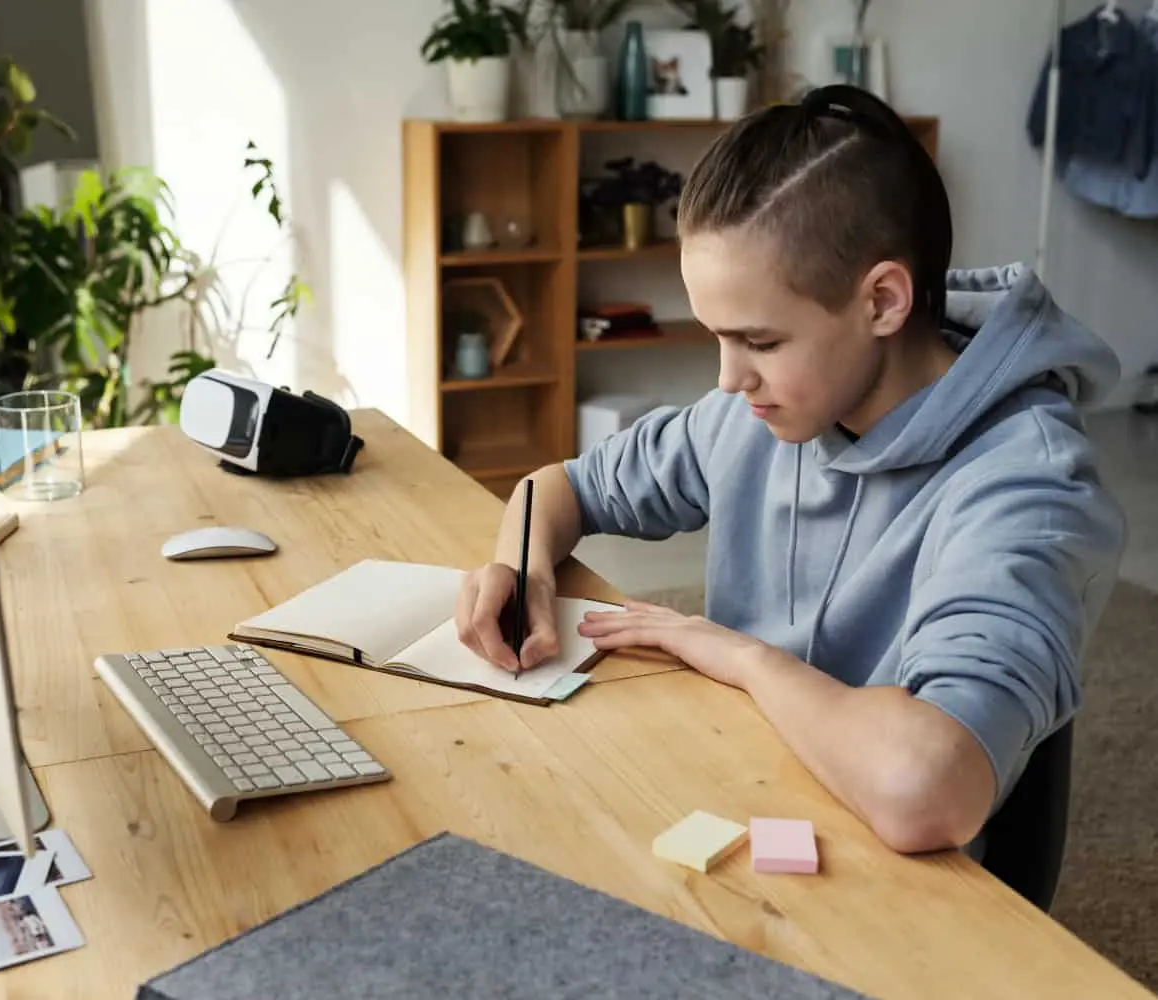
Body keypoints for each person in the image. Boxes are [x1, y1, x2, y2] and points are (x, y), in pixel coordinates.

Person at [453, 85, 1126, 856]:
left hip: (898, 887)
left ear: (882, 299)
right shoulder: (759, 410)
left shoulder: (1028, 487)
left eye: (760, 342)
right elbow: (557, 488)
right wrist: (522, 567)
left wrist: (737, 655)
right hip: (741, 794)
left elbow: (927, 791)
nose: (728, 378)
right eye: (715, 336)